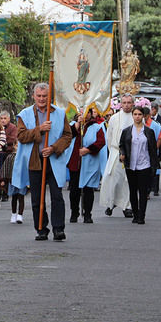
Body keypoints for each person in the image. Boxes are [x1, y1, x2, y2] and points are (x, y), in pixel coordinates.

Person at [12, 82, 74, 241]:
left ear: (49, 97)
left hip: (53, 160)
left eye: (44, 96)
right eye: (38, 96)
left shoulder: (60, 113)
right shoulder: (24, 114)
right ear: (33, 96)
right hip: (35, 160)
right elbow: (21, 136)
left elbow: (67, 136)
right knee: (37, 198)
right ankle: (41, 228)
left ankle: (58, 229)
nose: (41, 99)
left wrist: (53, 148)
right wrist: (39, 130)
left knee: (56, 196)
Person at [119, 100, 160, 224]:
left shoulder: (148, 132)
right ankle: (135, 214)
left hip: (144, 164)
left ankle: (142, 215)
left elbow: (153, 149)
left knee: (143, 191)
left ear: (143, 116)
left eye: (139, 114)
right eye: (135, 114)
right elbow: (122, 145)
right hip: (131, 165)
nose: (137, 117)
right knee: (132, 190)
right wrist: (122, 154)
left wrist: (154, 165)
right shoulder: (127, 131)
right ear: (132, 116)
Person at [67, 105, 107, 223]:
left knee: (88, 189)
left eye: (86, 113)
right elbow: (67, 136)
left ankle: (87, 213)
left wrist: (89, 149)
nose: (84, 116)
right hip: (75, 161)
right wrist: (77, 126)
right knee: (74, 189)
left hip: (90, 161)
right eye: (81, 113)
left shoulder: (96, 126)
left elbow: (101, 142)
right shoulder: (72, 125)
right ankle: (74, 212)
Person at [101, 94, 135, 217]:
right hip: (116, 152)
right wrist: (114, 151)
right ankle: (111, 203)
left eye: (129, 103)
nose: (126, 105)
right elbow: (109, 137)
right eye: (124, 103)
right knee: (112, 179)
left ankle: (127, 207)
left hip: (132, 154)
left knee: (127, 181)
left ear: (133, 104)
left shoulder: (135, 117)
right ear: (121, 104)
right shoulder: (115, 118)